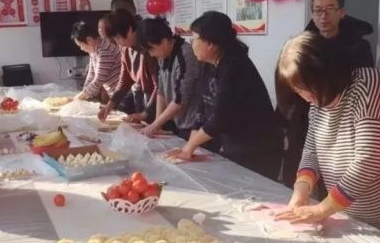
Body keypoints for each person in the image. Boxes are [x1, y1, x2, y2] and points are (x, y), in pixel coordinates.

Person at [274, 32, 380, 234]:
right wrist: (302, 188)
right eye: (298, 90)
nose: (306, 96)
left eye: (307, 87)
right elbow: (312, 151)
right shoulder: (317, 104)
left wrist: (323, 208)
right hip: (352, 213)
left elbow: (368, 160)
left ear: (326, 72)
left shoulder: (370, 86)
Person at [278, 0, 375, 189]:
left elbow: (361, 91)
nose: (323, 16)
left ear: (341, 12)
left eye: (330, 9)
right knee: (296, 178)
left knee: (332, 183)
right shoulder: (303, 45)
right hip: (303, 121)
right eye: (318, 10)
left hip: (340, 124)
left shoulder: (358, 48)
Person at [169, 11, 282, 179]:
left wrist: (190, 146)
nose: (191, 44)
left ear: (210, 43)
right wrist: (191, 143)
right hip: (234, 144)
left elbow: (221, 117)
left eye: (194, 40)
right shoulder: (208, 64)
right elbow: (202, 106)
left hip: (257, 149)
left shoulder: (235, 66)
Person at [136, 17, 204, 139]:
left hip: (195, 124)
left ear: (164, 41)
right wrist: (157, 124)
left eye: (151, 49)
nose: (151, 54)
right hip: (180, 122)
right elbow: (161, 91)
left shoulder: (186, 54)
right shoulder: (162, 56)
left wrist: (154, 125)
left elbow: (181, 99)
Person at [98, 9, 159, 124]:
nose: (117, 42)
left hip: (158, 102)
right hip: (144, 98)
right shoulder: (125, 48)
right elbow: (125, 80)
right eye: (114, 39)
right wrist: (109, 106)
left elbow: (159, 87)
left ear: (130, 30)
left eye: (118, 38)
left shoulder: (149, 48)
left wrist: (145, 113)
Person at [70, 20, 121, 103]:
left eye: (81, 45)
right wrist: (83, 94)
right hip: (115, 94)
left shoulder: (105, 51)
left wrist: (79, 97)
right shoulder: (94, 50)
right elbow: (91, 74)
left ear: (89, 39)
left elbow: (98, 80)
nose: (81, 49)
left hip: (124, 95)